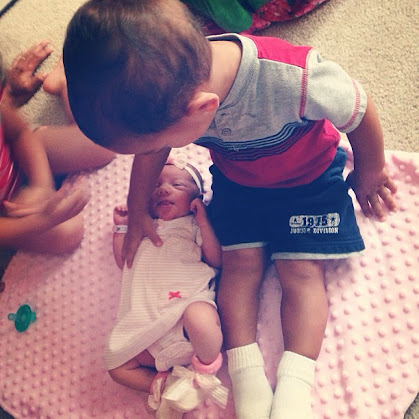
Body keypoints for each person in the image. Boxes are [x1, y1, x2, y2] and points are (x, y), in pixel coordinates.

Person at [61, 1, 398, 418]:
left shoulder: (295, 77)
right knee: (238, 266)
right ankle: (246, 374)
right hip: (240, 184)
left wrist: (369, 171)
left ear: (203, 110)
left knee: (300, 271)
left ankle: (295, 385)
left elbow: (358, 109)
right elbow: (152, 152)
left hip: (308, 182)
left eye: (159, 144)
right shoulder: (175, 92)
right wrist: (137, 207)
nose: (157, 153)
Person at [106, 155, 225, 414]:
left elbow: (216, 259)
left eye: (177, 185)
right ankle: (165, 384)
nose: (163, 189)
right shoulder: (143, 227)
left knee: (199, 318)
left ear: (195, 199)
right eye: (156, 186)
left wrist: (203, 221)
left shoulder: (193, 225)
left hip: (186, 317)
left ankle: (204, 368)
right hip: (148, 330)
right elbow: (125, 261)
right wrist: (122, 228)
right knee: (115, 365)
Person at [0, 41, 115, 255]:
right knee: (69, 234)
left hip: (22, 156)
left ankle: (63, 82)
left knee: (105, 142)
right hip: (7, 212)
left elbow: (19, 133)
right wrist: (41, 222)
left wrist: (41, 186)